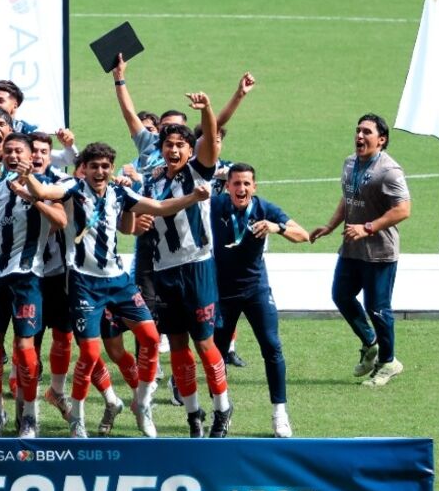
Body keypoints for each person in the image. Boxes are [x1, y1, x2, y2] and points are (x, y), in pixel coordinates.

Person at [22, 142, 210, 438]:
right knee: (90, 354)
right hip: (84, 281)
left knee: (149, 338)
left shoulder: (119, 193)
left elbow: (159, 208)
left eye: (105, 166)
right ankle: (78, 420)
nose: (100, 171)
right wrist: (27, 174)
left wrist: (193, 198)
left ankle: (143, 405)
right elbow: (44, 193)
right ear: (84, 168)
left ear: (111, 168)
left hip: (118, 280)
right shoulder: (72, 188)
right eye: (94, 166)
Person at [136, 92, 233, 438]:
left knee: (206, 345)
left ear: (191, 150)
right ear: (161, 148)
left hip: (197, 267)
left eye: (181, 145)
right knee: (177, 346)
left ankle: (223, 408)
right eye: (169, 144)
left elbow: (212, 136)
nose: (174, 150)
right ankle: (194, 414)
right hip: (165, 271)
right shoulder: (152, 181)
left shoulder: (199, 171)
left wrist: (207, 109)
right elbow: (136, 218)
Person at [310, 114, 411, 387]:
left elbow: (403, 209)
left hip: (380, 252)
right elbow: (348, 196)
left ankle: (389, 362)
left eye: (367, 132)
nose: (360, 136)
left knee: (378, 309)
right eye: (357, 131)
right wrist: (331, 225)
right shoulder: (350, 163)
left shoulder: (389, 171)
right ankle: (371, 343)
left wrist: (368, 227)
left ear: (382, 139)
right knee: (341, 295)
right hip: (352, 248)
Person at [0, 133, 67, 438]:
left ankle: (28, 416)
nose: (12, 155)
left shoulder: (46, 188)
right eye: (8, 151)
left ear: (31, 156)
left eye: (19, 151)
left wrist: (32, 195)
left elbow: (61, 220)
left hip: (29, 276)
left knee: (24, 346)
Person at [211, 163, 309, 436]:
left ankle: (280, 413)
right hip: (222, 292)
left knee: (272, 346)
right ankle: (221, 410)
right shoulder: (215, 206)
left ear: (254, 187)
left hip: (256, 289)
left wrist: (276, 228)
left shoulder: (266, 209)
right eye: (236, 184)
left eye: (246, 184)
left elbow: (303, 235)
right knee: (215, 354)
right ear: (227, 186)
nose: (241, 189)